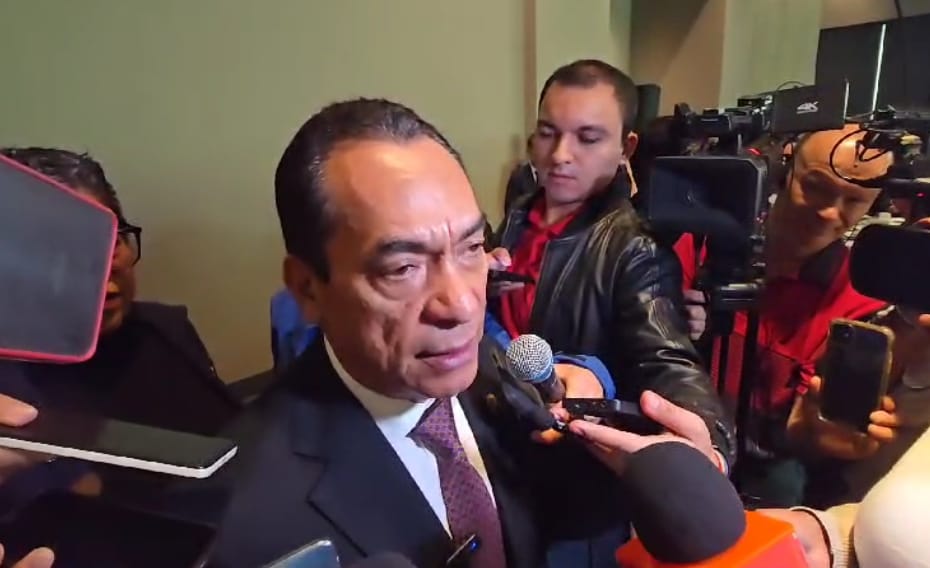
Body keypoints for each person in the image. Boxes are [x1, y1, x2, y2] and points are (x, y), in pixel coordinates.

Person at [208, 98, 723, 568]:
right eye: (403, 268)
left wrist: (674, 481)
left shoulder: (496, 378)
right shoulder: (239, 520)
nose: (460, 304)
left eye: (471, 248)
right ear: (307, 288)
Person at [489, 59, 734, 465]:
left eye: (588, 138)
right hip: (502, 439)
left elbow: (668, 361)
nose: (560, 155)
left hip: (571, 464)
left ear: (626, 148)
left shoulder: (636, 248)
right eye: (548, 133)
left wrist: (709, 444)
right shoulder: (518, 213)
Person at [673, 126, 908, 506]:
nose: (829, 212)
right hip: (678, 432)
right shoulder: (703, 242)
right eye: (815, 186)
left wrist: (817, 432)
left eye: (854, 200)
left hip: (762, 468)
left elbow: (799, 437)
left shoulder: (859, 300)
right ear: (784, 170)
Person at [0, 147, 240, 514]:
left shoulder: (166, 328)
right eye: (67, 247)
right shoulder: (12, 393)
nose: (101, 265)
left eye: (111, 240)